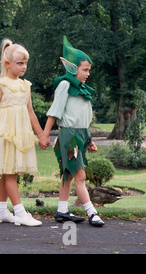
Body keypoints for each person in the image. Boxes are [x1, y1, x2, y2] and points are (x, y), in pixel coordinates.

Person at [0, 39, 45, 227]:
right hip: (5, 133)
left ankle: (1, 210)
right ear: (7, 64)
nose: (24, 66)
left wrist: (41, 134)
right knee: (10, 174)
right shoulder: (0, 84)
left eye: (25, 63)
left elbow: (31, 112)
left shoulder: (26, 86)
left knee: (10, 173)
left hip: (21, 134)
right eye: (20, 63)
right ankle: (20, 212)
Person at [41, 36, 103, 227]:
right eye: (84, 70)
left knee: (68, 174)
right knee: (80, 176)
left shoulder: (82, 89)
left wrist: (89, 139)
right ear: (72, 68)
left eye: (88, 70)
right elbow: (54, 112)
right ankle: (92, 212)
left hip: (81, 135)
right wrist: (44, 134)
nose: (87, 74)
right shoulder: (65, 85)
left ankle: (62, 211)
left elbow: (84, 117)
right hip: (69, 135)